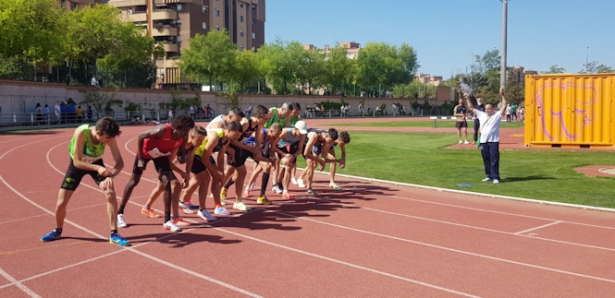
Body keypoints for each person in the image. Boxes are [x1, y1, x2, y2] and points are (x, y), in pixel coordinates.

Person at [40, 117, 129, 246]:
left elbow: (120, 163)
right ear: (98, 133)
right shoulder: (82, 132)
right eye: (107, 139)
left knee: (110, 192)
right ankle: (58, 230)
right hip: (78, 165)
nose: (108, 141)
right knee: (61, 203)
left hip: (96, 162)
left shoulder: (110, 136)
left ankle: (114, 234)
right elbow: (77, 162)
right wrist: (98, 168)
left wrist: (111, 175)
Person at [118, 115, 194, 232]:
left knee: (167, 182)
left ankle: (167, 221)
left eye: (188, 130)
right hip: (145, 153)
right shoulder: (162, 130)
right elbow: (141, 136)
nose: (187, 133)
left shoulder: (183, 137)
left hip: (160, 155)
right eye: (185, 130)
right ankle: (120, 213)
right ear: (177, 128)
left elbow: (181, 151)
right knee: (134, 181)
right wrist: (141, 158)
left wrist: (182, 156)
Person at [140, 126, 207, 218]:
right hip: (162, 161)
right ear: (191, 137)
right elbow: (169, 163)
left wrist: (187, 176)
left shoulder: (193, 146)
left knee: (160, 187)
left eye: (202, 140)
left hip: (167, 163)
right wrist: (182, 173)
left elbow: (190, 161)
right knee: (176, 186)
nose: (201, 143)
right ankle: (175, 217)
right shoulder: (180, 145)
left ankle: (146, 207)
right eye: (199, 140)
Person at [181, 121, 243, 221]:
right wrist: (214, 172)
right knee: (206, 178)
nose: (236, 138)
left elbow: (221, 156)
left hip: (204, 154)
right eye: (235, 135)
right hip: (196, 154)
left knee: (215, 177)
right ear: (229, 130)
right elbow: (204, 158)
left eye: (238, 136)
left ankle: (217, 206)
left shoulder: (226, 140)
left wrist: (221, 172)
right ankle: (202, 209)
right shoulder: (215, 137)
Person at [219, 105, 270, 211]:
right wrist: (249, 149)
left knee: (240, 171)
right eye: (265, 118)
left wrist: (257, 148)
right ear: (258, 116)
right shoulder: (246, 123)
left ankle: (236, 198)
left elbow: (257, 136)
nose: (267, 121)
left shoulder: (258, 124)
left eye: (268, 118)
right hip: (234, 147)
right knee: (233, 171)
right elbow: (233, 139)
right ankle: (221, 194)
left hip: (243, 147)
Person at [466, 87, 507, 184]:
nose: (488, 110)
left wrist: (502, 95)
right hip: (484, 141)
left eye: (489, 108)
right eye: (486, 109)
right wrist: (467, 98)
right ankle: (489, 175)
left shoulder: (497, 115)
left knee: (494, 159)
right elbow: (471, 108)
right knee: (486, 159)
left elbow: (504, 105)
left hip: (493, 141)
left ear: (493, 109)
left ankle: (496, 177)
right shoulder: (481, 114)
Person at [243, 123, 283, 205]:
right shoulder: (262, 133)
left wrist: (273, 159)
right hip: (246, 149)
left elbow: (272, 150)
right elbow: (258, 149)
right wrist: (266, 159)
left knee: (265, 167)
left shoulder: (273, 137)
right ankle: (225, 187)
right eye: (277, 133)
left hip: (256, 151)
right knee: (234, 170)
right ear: (271, 131)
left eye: (279, 134)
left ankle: (261, 195)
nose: (278, 136)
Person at [271, 121, 308, 199]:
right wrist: (284, 154)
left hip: (288, 148)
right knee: (288, 166)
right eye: (300, 132)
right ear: (296, 129)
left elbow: (300, 150)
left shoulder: (302, 136)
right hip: (278, 148)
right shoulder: (285, 132)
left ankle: (279, 182)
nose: (302, 134)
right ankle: (285, 191)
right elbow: (273, 145)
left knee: (290, 165)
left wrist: (293, 156)